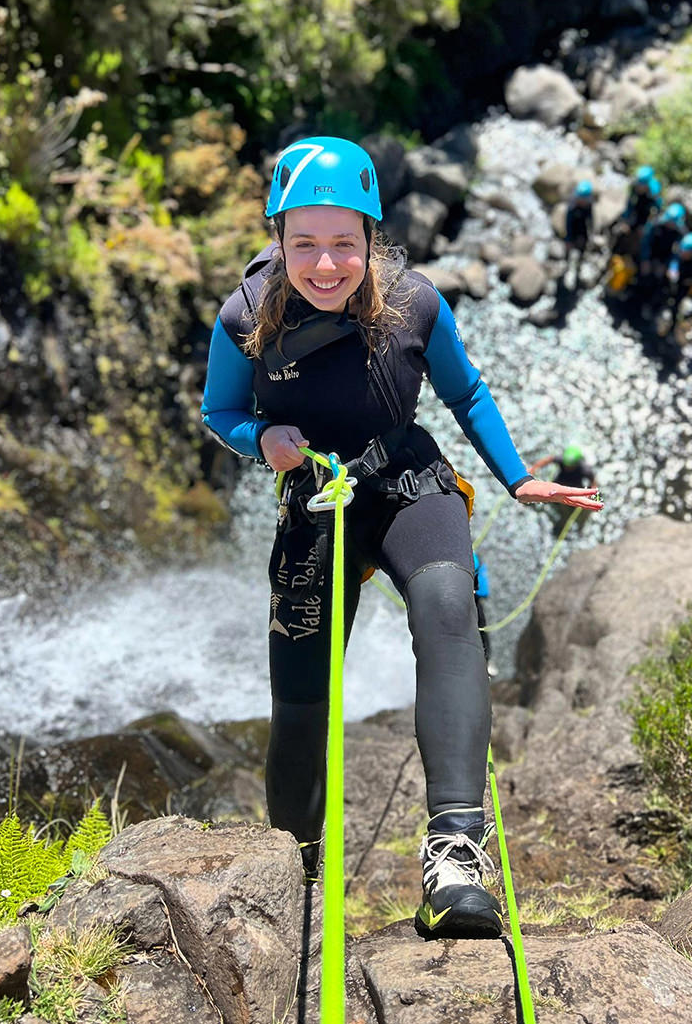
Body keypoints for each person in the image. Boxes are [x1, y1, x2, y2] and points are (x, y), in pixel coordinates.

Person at [201, 136, 602, 939]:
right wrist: (262, 442)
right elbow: (221, 412)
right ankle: (299, 868)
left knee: (449, 603)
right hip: (317, 497)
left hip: (407, 481)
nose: (324, 264)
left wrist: (518, 477)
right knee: (301, 701)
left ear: (370, 237)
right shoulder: (246, 317)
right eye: (305, 243)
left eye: (344, 243)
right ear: (278, 237)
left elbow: (466, 392)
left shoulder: (414, 302)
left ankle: (455, 855)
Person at [529, 444, 598, 534]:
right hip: (560, 482)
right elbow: (548, 460)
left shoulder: (585, 469)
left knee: (568, 512)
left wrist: (590, 494)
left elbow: (594, 484)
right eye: (566, 465)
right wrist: (533, 469)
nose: (567, 468)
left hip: (574, 486)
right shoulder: (562, 460)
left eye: (570, 466)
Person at [660, 231, 692, 335]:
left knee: (676, 306)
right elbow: (674, 261)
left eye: (685, 252)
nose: (683, 253)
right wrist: (672, 270)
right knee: (664, 293)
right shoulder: (679, 252)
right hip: (675, 281)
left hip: (685, 286)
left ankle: (671, 327)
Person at [639, 201, 687, 299]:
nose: (670, 224)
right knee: (644, 273)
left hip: (663, 259)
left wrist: (670, 266)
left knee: (660, 278)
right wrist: (645, 259)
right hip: (649, 254)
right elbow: (645, 242)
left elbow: (677, 253)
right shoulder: (656, 224)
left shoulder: (680, 233)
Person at [563, 180, 594, 286]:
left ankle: (579, 267)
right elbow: (568, 224)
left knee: (582, 250)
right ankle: (567, 267)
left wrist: (591, 234)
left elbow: (590, 220)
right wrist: (568, 239)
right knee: (569, 252)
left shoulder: (589, 205)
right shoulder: (572, 206)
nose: (582, 201)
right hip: (573, 231)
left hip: (582, 231)